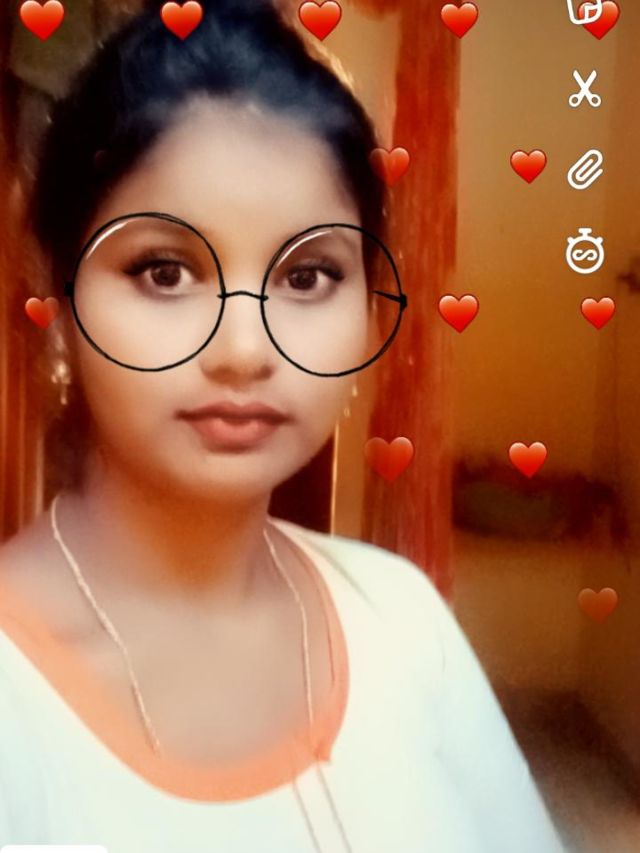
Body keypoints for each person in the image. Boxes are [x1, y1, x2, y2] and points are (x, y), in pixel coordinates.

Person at [0, 1, 566, 850]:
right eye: (164, 271)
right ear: (56, 297)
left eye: (306, 277)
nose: (243, 349)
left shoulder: (401, 617)